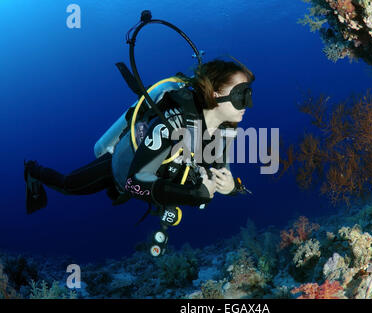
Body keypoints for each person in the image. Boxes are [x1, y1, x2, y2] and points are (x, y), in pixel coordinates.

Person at [24, 59, 255, 220]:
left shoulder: (224, 132)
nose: (248, 103)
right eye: (242, 94)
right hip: (121, 165)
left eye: (249, 94)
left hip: (158, 181)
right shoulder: (172, 126)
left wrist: (233, 187)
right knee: (68, 186)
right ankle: (32, 170)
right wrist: (195, 196)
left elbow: (220, 171)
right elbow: (134, 183)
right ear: (216, 94)